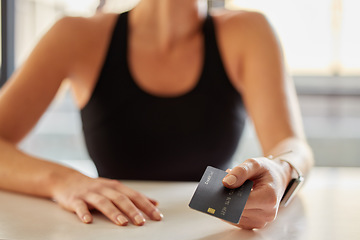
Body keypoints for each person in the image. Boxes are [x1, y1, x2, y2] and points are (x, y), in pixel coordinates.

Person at [0, 0, 313, 230]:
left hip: (210, 232)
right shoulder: (75, 34)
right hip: (111, 230)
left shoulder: (248, 31)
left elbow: (292, 146)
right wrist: (63, 181)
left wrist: (281, 169)